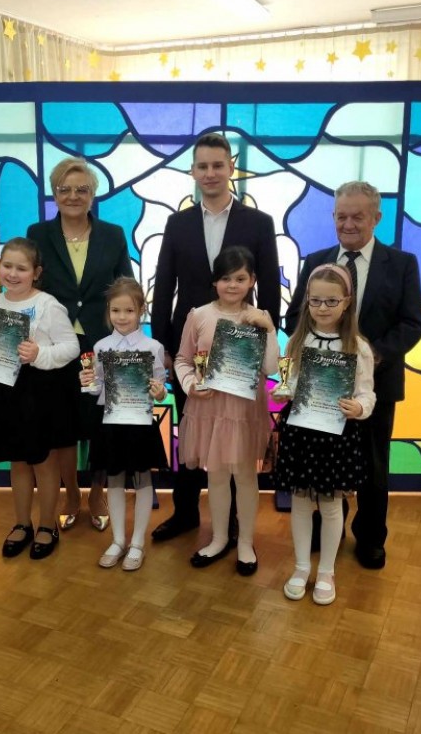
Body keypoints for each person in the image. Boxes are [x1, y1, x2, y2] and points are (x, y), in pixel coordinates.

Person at [284, 181, 421, 569]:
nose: (348, 224)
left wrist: (368, 357)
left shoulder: (402, 264)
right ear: (333, 216)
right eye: (341, 216)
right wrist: (318, 352)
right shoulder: (316, 260)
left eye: (357, 217)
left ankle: (371, 537)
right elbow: (294, 315)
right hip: (320, 387)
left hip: (377, 384)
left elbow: (413, 323)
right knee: (324, 461)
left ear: (376, 217)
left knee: (374, 465)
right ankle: (327, 529)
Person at [151, 132, 280, 543]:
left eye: (217, 165)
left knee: (236, 437)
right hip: (190, 346)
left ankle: (235, 521)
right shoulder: (177, 223)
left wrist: (266, 340)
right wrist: (163, 346)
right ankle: (186, 512)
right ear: (193, 171)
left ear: (231, 169)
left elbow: (270, 288)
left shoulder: (258, 223)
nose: (210, 173)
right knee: (192, 430)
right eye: (203, 166)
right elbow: (163, 286)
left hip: (242, 350)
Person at [28, 157, 134, 534]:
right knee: (63, 426)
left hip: (101, 342)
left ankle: (98, 494)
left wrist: (129, 337)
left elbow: (126, 287)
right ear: (54, 193)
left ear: (92, 195)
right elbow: (29, 285)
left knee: (100, 422)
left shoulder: (113, 234)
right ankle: (71, 493)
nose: (73, 196)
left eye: (82, 189)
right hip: (54, 344)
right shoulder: (38, 234)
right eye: (65, 189)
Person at [275, 264, 376, 604]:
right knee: (301, 503)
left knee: (332, 506)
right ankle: (302, 566)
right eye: (315, 300)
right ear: (307, 300)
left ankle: (327, 572)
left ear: (347, 302)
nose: (322, 307)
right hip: (301, 433)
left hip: (336, 436)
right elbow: (290, 382)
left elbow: (367, 393)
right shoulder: (297, 341)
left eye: (331, 301)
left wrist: (359, 408)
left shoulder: (358, 347)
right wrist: (284, 392)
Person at [174, 246, 278, 575]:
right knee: (216, 476)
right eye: (225, 278)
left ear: (252, 281)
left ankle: (245, 542)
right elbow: (182, 359)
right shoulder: (199, 315)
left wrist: (268, 328)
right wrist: (190, 384)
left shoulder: (260, 317)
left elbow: (271, 366)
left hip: (244, 410)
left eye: (240, 278)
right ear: (215, 281)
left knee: (245, 477)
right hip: (209, 407)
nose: (232, 285)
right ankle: (219, 538)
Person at [0, 238, 79, 560]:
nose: (12, 273)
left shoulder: (49, 305)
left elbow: (71, 347)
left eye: (21, 268)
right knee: (17, 461)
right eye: (7, 266)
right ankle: (22, 523)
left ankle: (47, 526)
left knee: (44, 462)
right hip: (5, 389)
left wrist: (39, 354)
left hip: (39, 392)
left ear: (36, 272)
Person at [79, 277, 168, 571]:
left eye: (129, 311)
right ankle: (118, 540)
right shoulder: (101, 346)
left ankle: (137, 542)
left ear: (141, 310)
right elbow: (98, 387)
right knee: (114, 479)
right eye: (115, 310)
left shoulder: (153, 347)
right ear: (108, 311)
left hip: (140, 424)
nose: (122, 317)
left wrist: (160, 392)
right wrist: (88, 382)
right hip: (110, 423)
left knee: (143, 480)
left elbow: (160, 389)